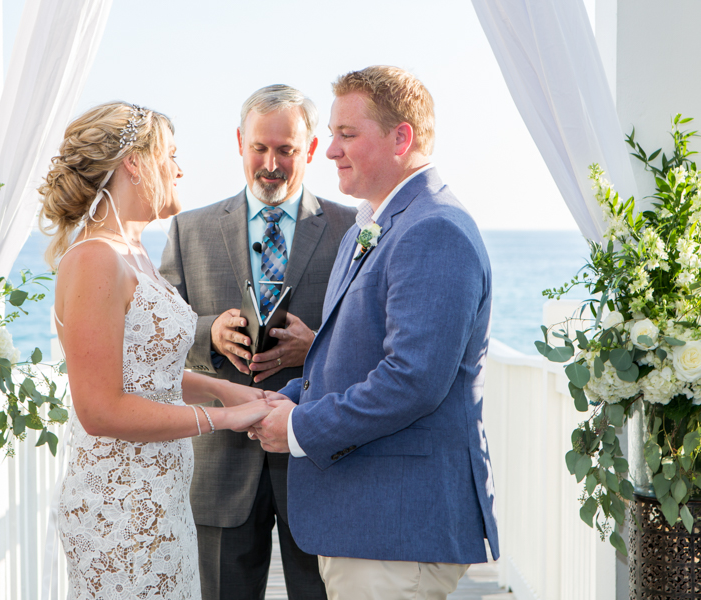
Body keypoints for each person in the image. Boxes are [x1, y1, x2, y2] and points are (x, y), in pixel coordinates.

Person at [252, 66, 500, 600]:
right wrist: (283, 398)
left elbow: (412, 380)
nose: (330, 151)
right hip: (367, 524)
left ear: (401, 138)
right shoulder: (377, 222)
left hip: (396, 529)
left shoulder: (433, 229)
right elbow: (350, 357)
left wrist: (299, 429)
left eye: (347, 135)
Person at [39, 101, 272, 600]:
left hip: (162, 500)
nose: (180, 169)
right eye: (170, 154)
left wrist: (225, 392)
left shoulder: (134, 251)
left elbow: (147, 367)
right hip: (117, 509)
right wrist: (223, 420)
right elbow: (100, 409)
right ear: (134, 163)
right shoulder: (95, 261)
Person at [160, 85, 355, 600]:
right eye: (260, 148)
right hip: (221, 465)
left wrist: (314, 347)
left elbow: (372, 340)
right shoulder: (189, 229)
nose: (271, 164)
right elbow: (157, 335)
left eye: (286, 150)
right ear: (240, 142)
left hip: (316, 461)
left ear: (310, 149)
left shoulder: (353, 229)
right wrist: (209, 334)